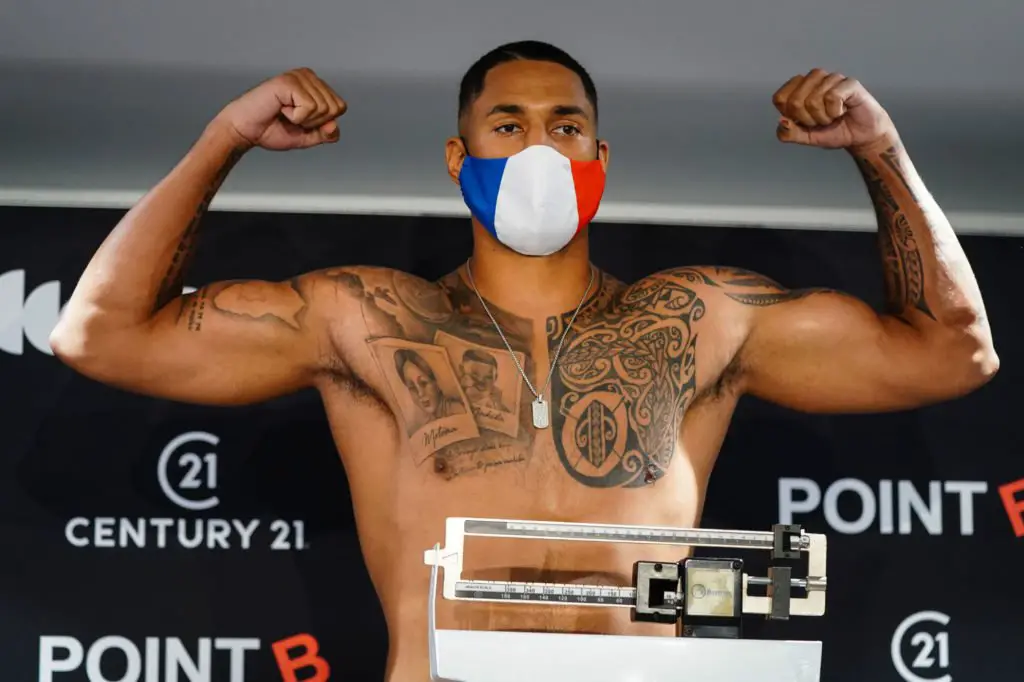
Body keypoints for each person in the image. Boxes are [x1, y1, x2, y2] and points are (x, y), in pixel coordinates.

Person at [50, 40, 998, 681]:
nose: (541, 147)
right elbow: (98, 334)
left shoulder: (699, 319)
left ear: (600, 157)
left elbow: (952, 356)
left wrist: (880, 148)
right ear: (457, 158)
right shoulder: (370, 319)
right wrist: (225, 138)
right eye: (509, 126)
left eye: (566, 127)